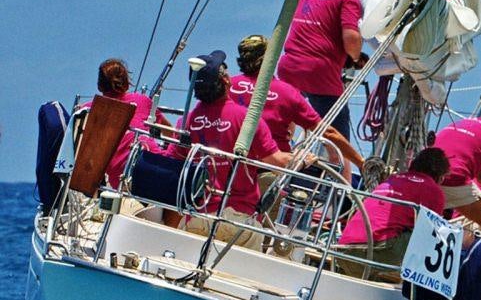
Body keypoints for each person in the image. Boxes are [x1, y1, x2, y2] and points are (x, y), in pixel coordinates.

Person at [173, 50, 306, 248]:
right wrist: (303, 159)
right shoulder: (246, 119)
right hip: (237, 222)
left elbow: (175, 160)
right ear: (227, 80)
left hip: (197, 218)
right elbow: (277, 161)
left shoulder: (185, 122)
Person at [229, 34, 363, 175]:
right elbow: (328, 132)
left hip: (227, 168)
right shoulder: (287, 93)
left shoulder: (228, 86)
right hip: (271, 172)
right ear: (272, 57)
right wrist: (360, 162)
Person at [277, 0, 373, 140]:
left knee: (283, 123)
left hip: (289, 66)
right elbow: (352, 38)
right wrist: (354, 57)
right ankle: (340, 168)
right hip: (319, 72)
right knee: (338, 138)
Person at [336, 147, 449, 279]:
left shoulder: (393, 179)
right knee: (430, 235)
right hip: (370, 254)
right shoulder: (433, 191)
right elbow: (431, 233)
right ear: (440, 177)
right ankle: (412, 285)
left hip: (342, 249)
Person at [84, 58, 169, 188]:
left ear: (99, 85)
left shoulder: (89, 110)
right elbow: (171, 133)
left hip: (120, 180)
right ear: (127, 82)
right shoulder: (142, 100)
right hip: (155, 166)